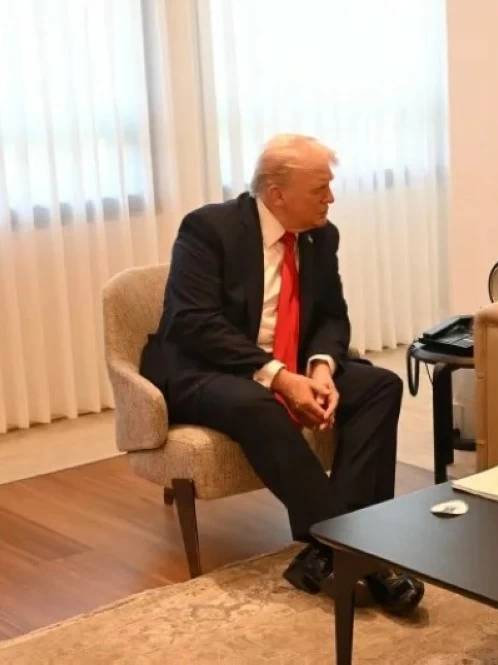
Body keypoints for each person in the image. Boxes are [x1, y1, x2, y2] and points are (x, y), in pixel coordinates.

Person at [139, 134, 423, 615]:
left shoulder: (321, 236)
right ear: (277, 193)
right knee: (257, 403)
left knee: (380, 386)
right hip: (203, 368)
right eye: (320, 189)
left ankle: (332, 550)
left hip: (290, 361)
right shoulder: (209, 229)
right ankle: (354, 552)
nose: (331, 198)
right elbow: (194, 322)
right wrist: (278, 377)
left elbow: (331, 316)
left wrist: (321, 368)